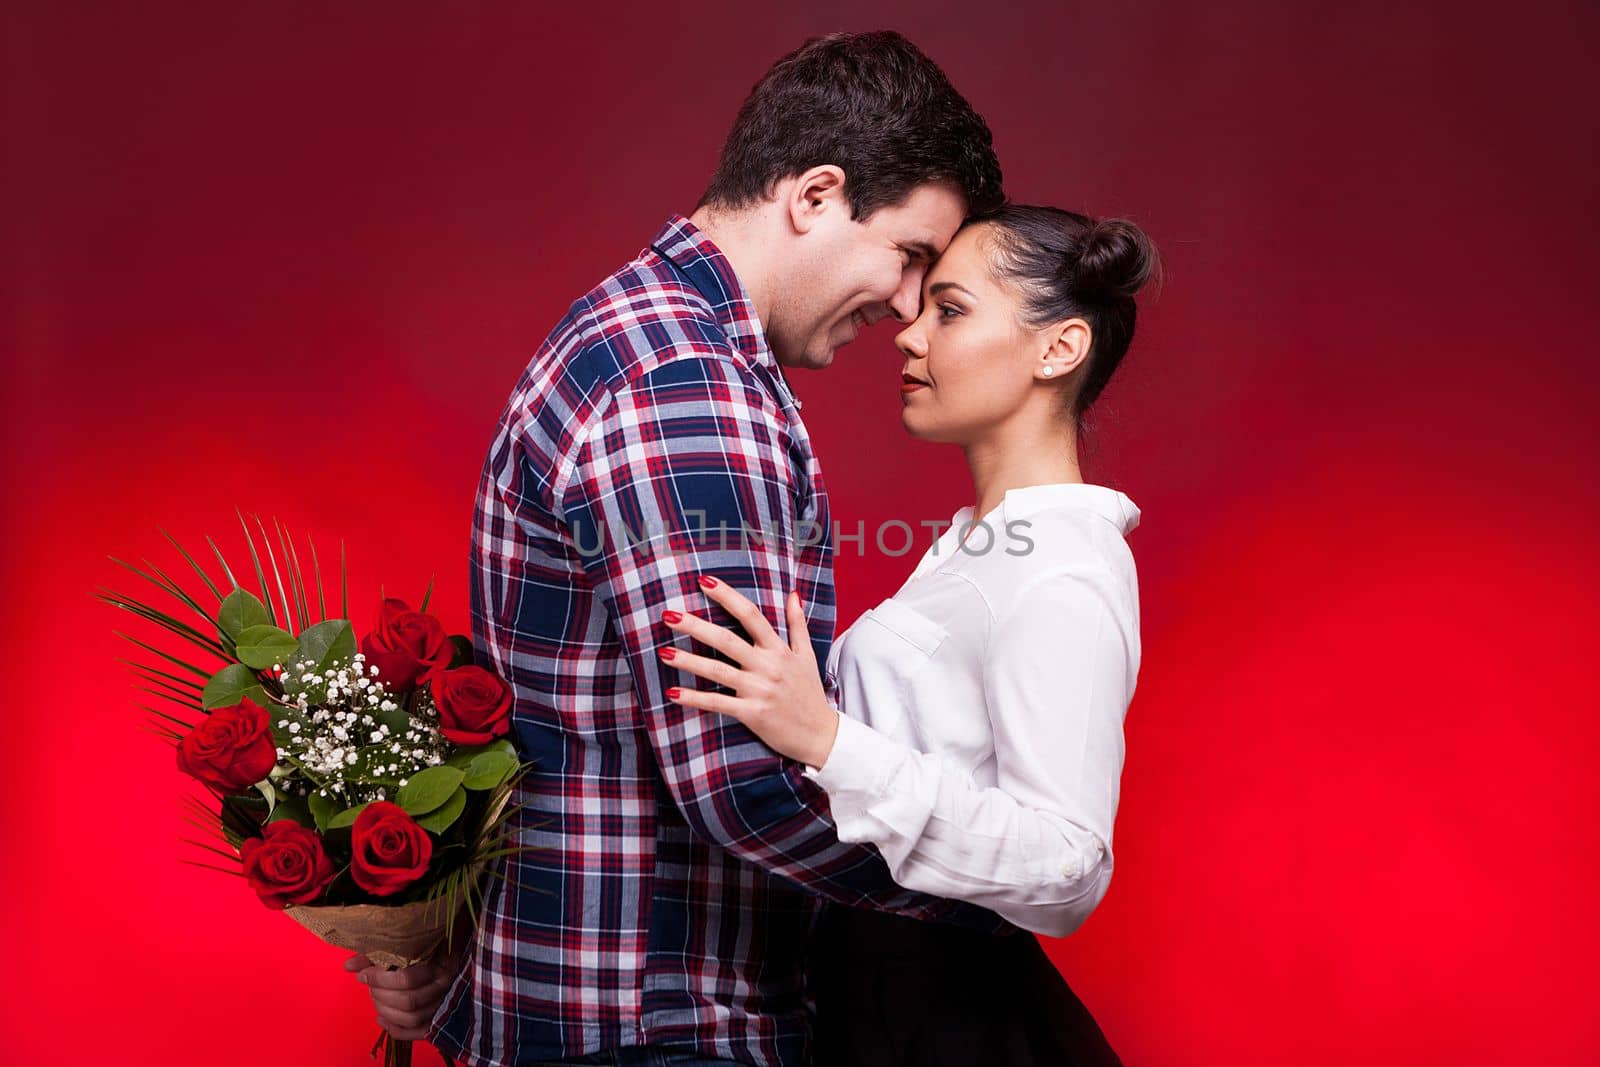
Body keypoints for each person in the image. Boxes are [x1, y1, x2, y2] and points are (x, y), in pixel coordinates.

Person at [344, 30, 1013, 1067]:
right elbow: (741, 778)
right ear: (816, 195)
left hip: (589, 1007)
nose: (907, 306)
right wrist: (990, 885)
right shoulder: (683, 382)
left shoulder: (634, 334)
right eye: (910, 254)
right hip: (654, 1021)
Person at [659, 205, 1157, 1065]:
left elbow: (1069, 867)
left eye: (950, 310)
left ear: (1059, 349)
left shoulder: (1064, 568)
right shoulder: (989, 545)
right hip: (872, 994)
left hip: (948, 1014)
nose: (906, 334)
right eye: (920, 308)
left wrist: (828, 739)